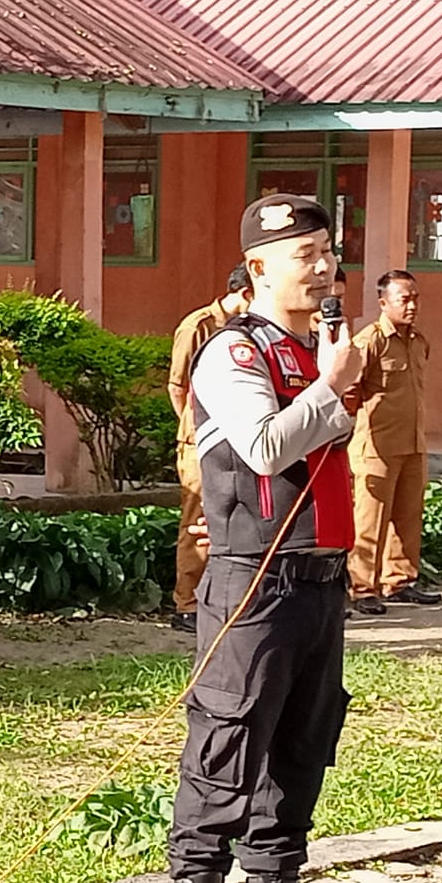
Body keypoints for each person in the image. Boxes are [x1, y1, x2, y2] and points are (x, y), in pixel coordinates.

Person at [168, 194, 362, 883]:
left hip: (319, 576)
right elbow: (260, 444)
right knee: (228, 741)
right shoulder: (234, 353)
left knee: (302, 741)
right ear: (257, 267)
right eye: (303, 257)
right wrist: (332, 388)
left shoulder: (309, 350)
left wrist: (327, 382)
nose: (321, 269)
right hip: (255, 579)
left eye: (326, 253)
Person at [167, 264, 254, 635]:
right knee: (196, 523)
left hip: (235, 439)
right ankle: (186, 603)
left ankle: (220, 599)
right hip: (199, 442)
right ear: (246, 293)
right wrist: (196, 428)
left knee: (230, 520)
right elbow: (177, 386)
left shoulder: (249, 330)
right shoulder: (198, 326)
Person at [348, 270, 438, 615]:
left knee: (407, 516)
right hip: (376, 447)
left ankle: (399, 581)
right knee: (369, 521)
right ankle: (362, 588)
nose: (412, 305)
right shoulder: (369, 341)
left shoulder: (418, 341)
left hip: (412, 444)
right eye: (405, 299)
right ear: (383, 303)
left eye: (415, 297)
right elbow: (350, 390)